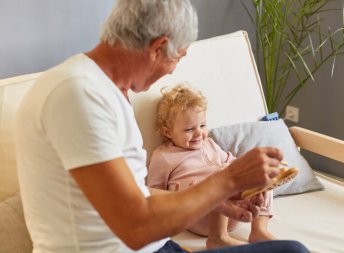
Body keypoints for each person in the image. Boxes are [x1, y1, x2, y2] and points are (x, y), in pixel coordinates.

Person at [15, 0, 310, 252]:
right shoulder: (77, 94)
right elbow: (135, 226)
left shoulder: (103, 89)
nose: (173, 70)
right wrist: (230, 179)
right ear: (158, 48)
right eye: (177, 58)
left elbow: (133, 196)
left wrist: (216, 200)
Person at [147, 84, 276, 249]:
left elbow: (233, 163)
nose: (198, 133)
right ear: (168, 132)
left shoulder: (209, 144)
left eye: (202, 126)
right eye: (189, 129)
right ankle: (218, 237)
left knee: (260, 175)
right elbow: (153, 195)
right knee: (221, 178)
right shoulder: (163, 157)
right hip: (200, 216)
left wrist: (252, 172)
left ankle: (259, 230)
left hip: (239, 212)